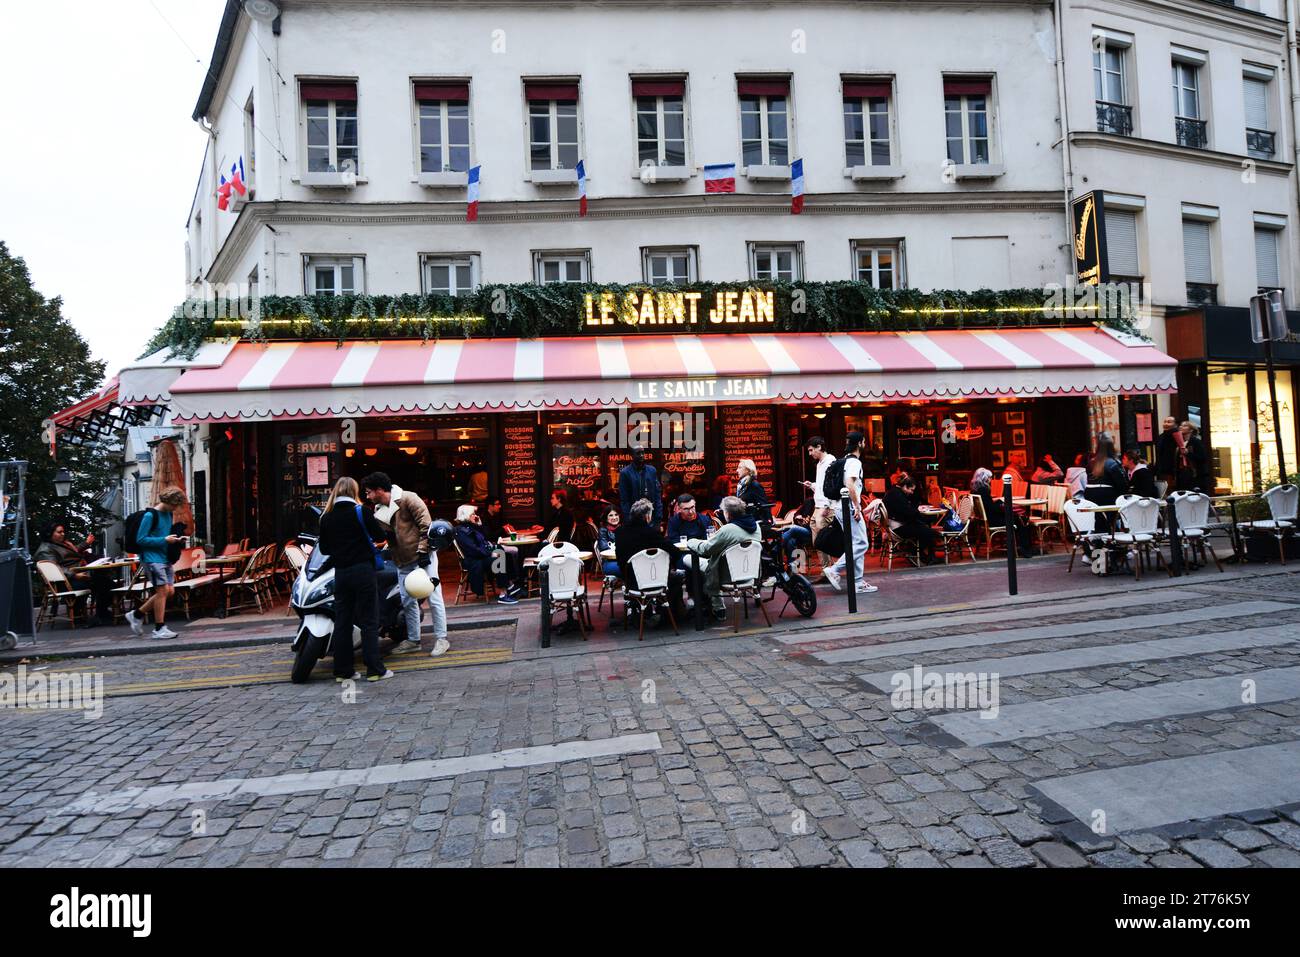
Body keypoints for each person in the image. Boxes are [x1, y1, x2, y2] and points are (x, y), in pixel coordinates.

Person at [317, 477, 392, 682]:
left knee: (342, 622)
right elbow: (379, 538)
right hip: (363, 571)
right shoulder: (362, 512)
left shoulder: (327, 517)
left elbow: (324, 549)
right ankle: (375, 670)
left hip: (341, 574)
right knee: (369, 621)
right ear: (354, 491)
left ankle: (343, 672)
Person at [362, 472, 432, 657]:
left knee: (433, 599)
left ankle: (441, 638)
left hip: (420, 558)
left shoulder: (408, 498)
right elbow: (385, 535)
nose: (367, 496)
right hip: (401, 560)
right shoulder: (378, 509)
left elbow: (426, 525)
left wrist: (423, 551)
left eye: (369, 492)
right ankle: (413, 640)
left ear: (379, 490)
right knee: (407, 601)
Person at [125, 487, 188, 640]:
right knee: (162, 591)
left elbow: (163, 535)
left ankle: (136, 614)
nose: (175, 509)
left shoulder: (168, 514)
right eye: (174, 505)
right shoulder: (149, 516)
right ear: (168, 501)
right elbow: (141, 540)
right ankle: (159, 628)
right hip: (151, 558)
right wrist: (164, 540)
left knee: (169, 591)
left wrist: (176, 540)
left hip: (164, 557)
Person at [686, 495, 761, 622]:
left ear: (727, 513)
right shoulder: (756, 526)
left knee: (689, 559)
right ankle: (715, 605)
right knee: (714, 562)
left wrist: (691, 541)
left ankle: (717, 606)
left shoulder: (727, 529)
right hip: (750, 575)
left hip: (727, 576)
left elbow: (705, 549)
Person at [824, 432, 879, 595]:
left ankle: (857, 581)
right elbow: (849, 483)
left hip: (840, 506)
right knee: (862, 543)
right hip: (848, 507)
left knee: (856, 543)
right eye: (864, 441)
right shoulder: (854, 462)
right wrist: (857, 506)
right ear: (860, 443)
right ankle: (834, 570)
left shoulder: (844, 460)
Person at [614, 498, 686, 621]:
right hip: (653, 580)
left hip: (630, 581)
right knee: (676, 579)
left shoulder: (620, 532)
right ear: (647, 516)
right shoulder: (651, 533)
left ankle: (641, 611)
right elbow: (676, 553)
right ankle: (671, 615)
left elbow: (619, 558)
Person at [34, 522, 112, 626]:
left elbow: (72, 552)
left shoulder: (59, 544)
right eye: (59, 532)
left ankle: (102, 613)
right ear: (49, 534)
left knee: (105, 581)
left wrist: (86, 544)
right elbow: (55, 568)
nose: (63, 534)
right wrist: (74, 575)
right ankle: (100, 615)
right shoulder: (45, 550)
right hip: (64, 583)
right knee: (103, 583)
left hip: (74, 577)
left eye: (63, 531)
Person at [454, 504, 521, 604]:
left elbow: (484, 539)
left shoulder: (471, 527)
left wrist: (479, 525)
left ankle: (510, 585)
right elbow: (474, 550)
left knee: (504, 554)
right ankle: (503, 594)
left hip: (480, 557)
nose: (476, 516)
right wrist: (490, 554)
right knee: (498, 560)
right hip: (474, 561)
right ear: (466, 515)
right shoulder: (461, 531)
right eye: (473, 514)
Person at [971, 468, 1034, 555]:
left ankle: (1022, 547)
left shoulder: (975, 490)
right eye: (989, 478)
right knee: (1021, 519)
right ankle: (1025, 549)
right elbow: (992, 509)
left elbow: (988, 506)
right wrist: (1000, 503)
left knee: (1018, 517)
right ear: (985, 479)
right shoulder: (984, 490)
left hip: (985, 520)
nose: (991, 480)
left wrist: (998, 502)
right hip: (994, 520)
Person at [883, 477, 939, 564]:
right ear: (905, 486)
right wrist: (924, 518)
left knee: (923, 528)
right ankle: (915, 552)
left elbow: (906, 512)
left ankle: (922, 555)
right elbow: (908, 513)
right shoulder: (898, 495)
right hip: (898, 528)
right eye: (911, 490)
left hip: (892, 526)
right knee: (929, 532)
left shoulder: (893, 492)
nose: (912, 492)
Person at [800, 436, 836, 558]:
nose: (810, 454)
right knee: (817, 541)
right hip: (818, 505)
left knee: (823, 539)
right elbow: (822, 485)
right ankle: (826, 568)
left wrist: (827, 505)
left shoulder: (830, 461)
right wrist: (812, 485)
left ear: (819, 447)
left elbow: (832, 485)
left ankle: (829, 569)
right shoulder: (819, 464)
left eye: (811, 450)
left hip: (826, 506)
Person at [618, 447, 662, 525]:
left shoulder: (652, 470)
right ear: (632, 455)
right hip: (634, 518)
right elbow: (624, 499)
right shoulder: (625, 473)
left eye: (643, 453)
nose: (641, 455)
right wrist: (628, 519)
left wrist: (659, 516)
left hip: (652, 516)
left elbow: (657, 494)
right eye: (638, 453)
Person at [1180, 421, 1211, 492]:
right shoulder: (1181, 443)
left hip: (1196, 476)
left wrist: (1188, 453)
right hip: (1184, 475)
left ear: (1191, 430)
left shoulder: (1196, 442)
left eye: (1185, 426)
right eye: (1181, 425)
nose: (1181, 427)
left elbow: (1202, 458)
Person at [1154, 416, 1181, 490]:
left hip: (1173, 469)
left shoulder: (1177, 435)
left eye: (1169, 422)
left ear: (1175, 425)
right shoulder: (1161, 436)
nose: (1166, 424)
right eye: (1165, 422)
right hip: (1161, 469)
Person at [597, 506, 622, 577]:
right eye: (611, 515)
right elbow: (604, 548)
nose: (614, 518)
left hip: (623, 560)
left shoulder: (623, 528)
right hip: (610, 562)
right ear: (606, 517)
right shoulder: (603, 531)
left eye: (616, 514)